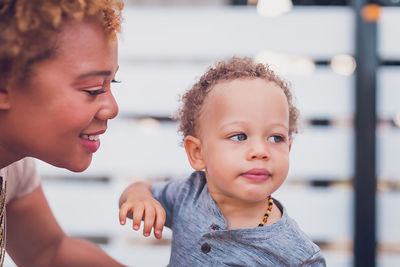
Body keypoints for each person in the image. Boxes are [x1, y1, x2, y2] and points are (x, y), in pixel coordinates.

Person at [119, 57, 326, 266]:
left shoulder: (299, 256)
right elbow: (138, 189)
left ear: (288, 148)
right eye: (239, 136)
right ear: (197, 153)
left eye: (275, 138)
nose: (261, 151)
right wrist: (140, 199)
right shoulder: (190, 194)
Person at [0, 0, 125, 266]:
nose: (112, 108)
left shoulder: (13, 168)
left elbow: (47, 252)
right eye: (92, 89)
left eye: (111, 83)